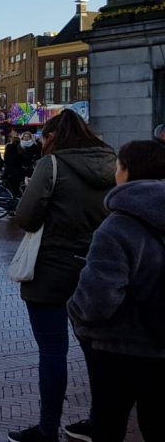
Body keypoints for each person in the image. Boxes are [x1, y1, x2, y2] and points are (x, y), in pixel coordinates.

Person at [9, 109, 116, 442]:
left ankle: (47, 428)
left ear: (52, 137)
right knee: (95, 350)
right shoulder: (112, 162)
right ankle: (99, 422)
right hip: (97, 268)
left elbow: (26, 218)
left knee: (53, 351)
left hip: (52, 269)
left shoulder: (51, 165)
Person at [67, 140, 165, 442]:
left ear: (126, 172)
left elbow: (97, 299)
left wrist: (77, 315)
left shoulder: (117, 227)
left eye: (119, 166)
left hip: (119, 347)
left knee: (109, 424)